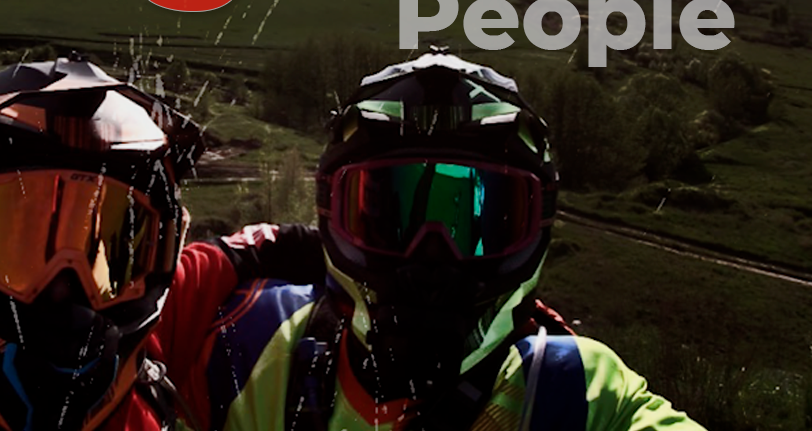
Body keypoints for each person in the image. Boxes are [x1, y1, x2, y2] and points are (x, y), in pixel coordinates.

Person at [183, 48, 708, 431]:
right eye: (391, 219)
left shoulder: (580, 391)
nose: (431, 255)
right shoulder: (245, 343)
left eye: (475, 222)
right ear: (331, 217)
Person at [0, 54, 323, 431]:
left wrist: (344, 248)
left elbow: (244, 251)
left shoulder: (145, 330)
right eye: (20, 241)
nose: (66, 285)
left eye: (106, 247)